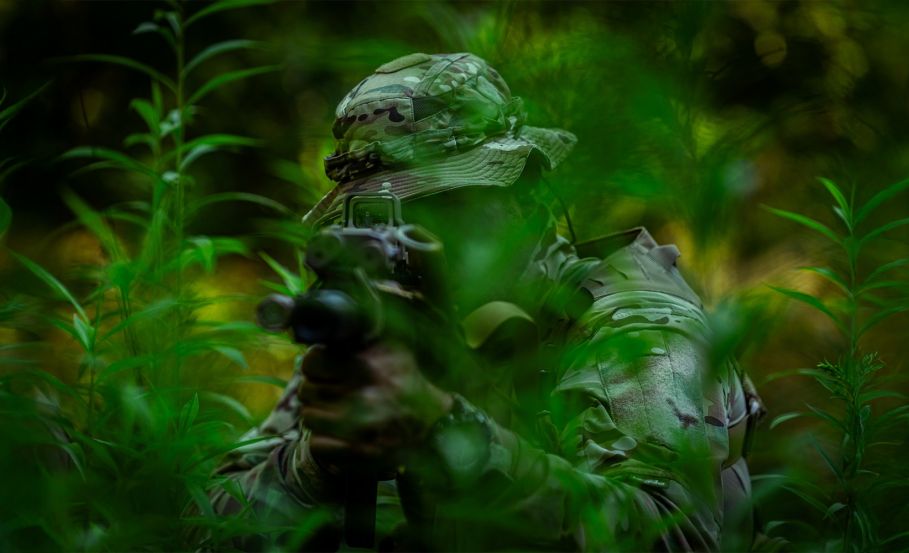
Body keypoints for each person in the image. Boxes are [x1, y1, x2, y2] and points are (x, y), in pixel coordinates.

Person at [202, 52, 765, 552]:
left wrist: (447, 430)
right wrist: (313, 467)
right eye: (388, 217)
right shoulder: (398, 323)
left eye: (444, 206)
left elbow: (675, 534)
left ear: (523, 193)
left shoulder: (634, 321)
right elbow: (202, 529)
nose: (413, 238)